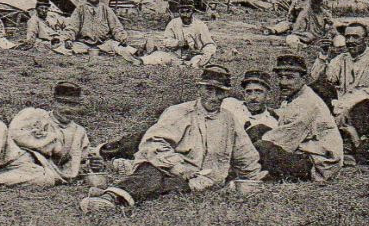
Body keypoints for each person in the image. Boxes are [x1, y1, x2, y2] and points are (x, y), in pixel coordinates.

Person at [81, 65, 263, 214]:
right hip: (164, 166)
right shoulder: (180, 112)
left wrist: (253, 181)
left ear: (226, 94)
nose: (213, 97)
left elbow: (245, 155)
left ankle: (108, 193)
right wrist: (178, 167)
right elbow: (153, 143)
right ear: (200, 89)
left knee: (171, 189)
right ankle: (109, 197)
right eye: (209, 89)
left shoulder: (229, 119)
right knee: (152, 177)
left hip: (195, 181)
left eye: (220, 92)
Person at [0, 81, 91, 190]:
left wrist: (93, 162)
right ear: (53, 102)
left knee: (46, 179)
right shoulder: (35, 114)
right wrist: (49, 143)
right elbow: (15, 133)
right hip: (12, 153)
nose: (68, 109)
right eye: (63, 103)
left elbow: (80, 160)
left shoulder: (79, 132)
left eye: (73, 105)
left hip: (33, 168)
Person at [243, 53, 346, 182]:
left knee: (261, 147)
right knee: (257, 129)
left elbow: (285, 141)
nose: (283, 82)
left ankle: (242, 171)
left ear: (304, 79)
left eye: (290, 78)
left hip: (319, 164)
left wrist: (246, 146)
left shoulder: (307, 103)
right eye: (280, 77)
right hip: (304, 151)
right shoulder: (296, 96)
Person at [318, 21, 369, 159]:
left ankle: (354, 144)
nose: (350, 41)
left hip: (366, 111)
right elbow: (322, 79)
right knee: (317, 90)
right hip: (341, 108)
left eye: (355, 37)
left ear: (366, 39)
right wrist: (323, 55)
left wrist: (347, 103)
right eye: (347, 37)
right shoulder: (341, 59)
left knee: (362, 106)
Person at [67, 0, 138, 61]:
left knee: (124, 49)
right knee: (64, 47)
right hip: (84, 44)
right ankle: (96, 52)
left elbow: (116, 27)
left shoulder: (106, 9)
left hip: (104, 43)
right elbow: (72, 27)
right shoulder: (80, 9)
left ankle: (102, 51)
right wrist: (68, 39)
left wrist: (121, 37)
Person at [141, 1, 218, 67]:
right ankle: (139, 60)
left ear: (192, 12)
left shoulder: (200, 25)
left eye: (188, 11)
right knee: (158, 56)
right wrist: (178, 43)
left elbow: (210, 44)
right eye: (182, 12)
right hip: (175, 56)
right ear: (179, 12)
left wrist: (203, 52)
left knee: (197, 62)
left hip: (195, 56)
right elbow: (166, 41)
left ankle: (190, 65)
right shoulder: (174, 23)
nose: (185, 14)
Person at [265, 0, 334, 49]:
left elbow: (329, 22)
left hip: (309, 29)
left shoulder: (314, 0)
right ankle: (273, 30)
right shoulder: (296, 0)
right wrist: (293, 15)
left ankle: (298, 40)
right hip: (298, 23)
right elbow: (290, 15)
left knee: (306, 35)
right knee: (285, 24)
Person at [223, 70, 280, 134]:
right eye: (249, 92)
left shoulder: (272, 121)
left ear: (268, 95)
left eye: (258, 92)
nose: (253, 97)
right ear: (243, 94)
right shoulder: (230, 105)